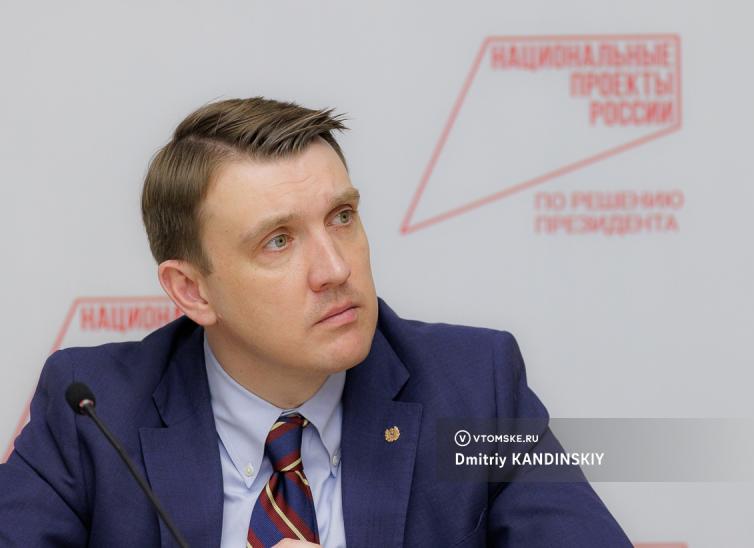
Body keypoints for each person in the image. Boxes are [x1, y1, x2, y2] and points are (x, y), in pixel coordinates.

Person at [0, 97, 631, 547]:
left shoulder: (473, 390)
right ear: (192, 290)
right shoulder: (95, 412)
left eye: (342, 218)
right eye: (278, 241)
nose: (335, 268)